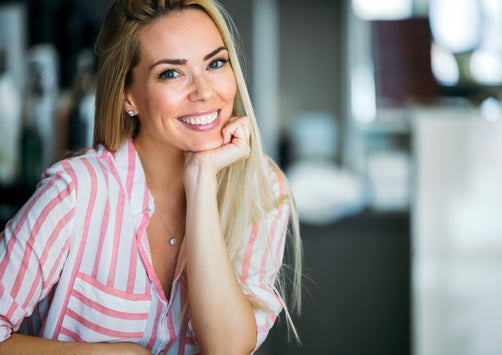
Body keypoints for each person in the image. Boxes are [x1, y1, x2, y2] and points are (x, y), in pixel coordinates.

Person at [0, 0, 302, 353]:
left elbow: (227, 349)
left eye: (215, 63)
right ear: (129, 96)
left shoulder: (261, 189)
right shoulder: (75, 193)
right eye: (171, 73)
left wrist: (202, 179)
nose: (204, 92)